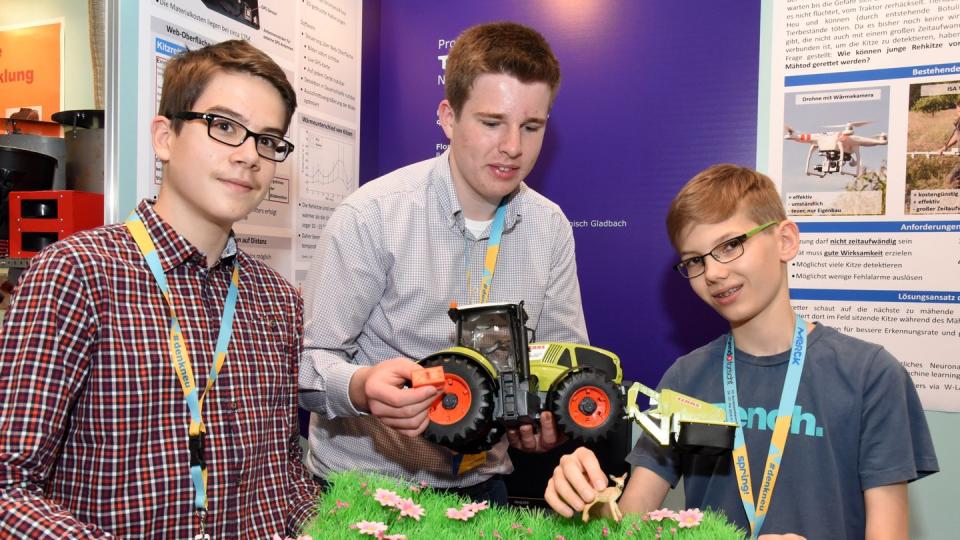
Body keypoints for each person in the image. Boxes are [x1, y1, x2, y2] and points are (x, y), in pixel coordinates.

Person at [0, 40, 318, 538]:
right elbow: (9, 485)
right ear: (165, 137)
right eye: (225, 127)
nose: (249, 156)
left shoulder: (277, 299)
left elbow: (280, 483)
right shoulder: (77, 274)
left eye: (268, 140)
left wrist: (339, 525)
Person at [544, 164, 939, 539]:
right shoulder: (685, 378)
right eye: (695, 261)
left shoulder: (869, 374)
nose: (713, 273)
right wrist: (589, 499)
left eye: (731, 245)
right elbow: (628, 522)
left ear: (785, 240)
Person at [299, 21, 588, 505]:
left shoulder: (550, 228)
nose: (513, 146)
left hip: (482, 489)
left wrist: (551, 421)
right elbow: (308, 364)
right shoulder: (372, 216)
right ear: (448, 117)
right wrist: (364, 386)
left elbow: (563, 364)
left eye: (531, 126)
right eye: (492, 122)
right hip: (363, 490)